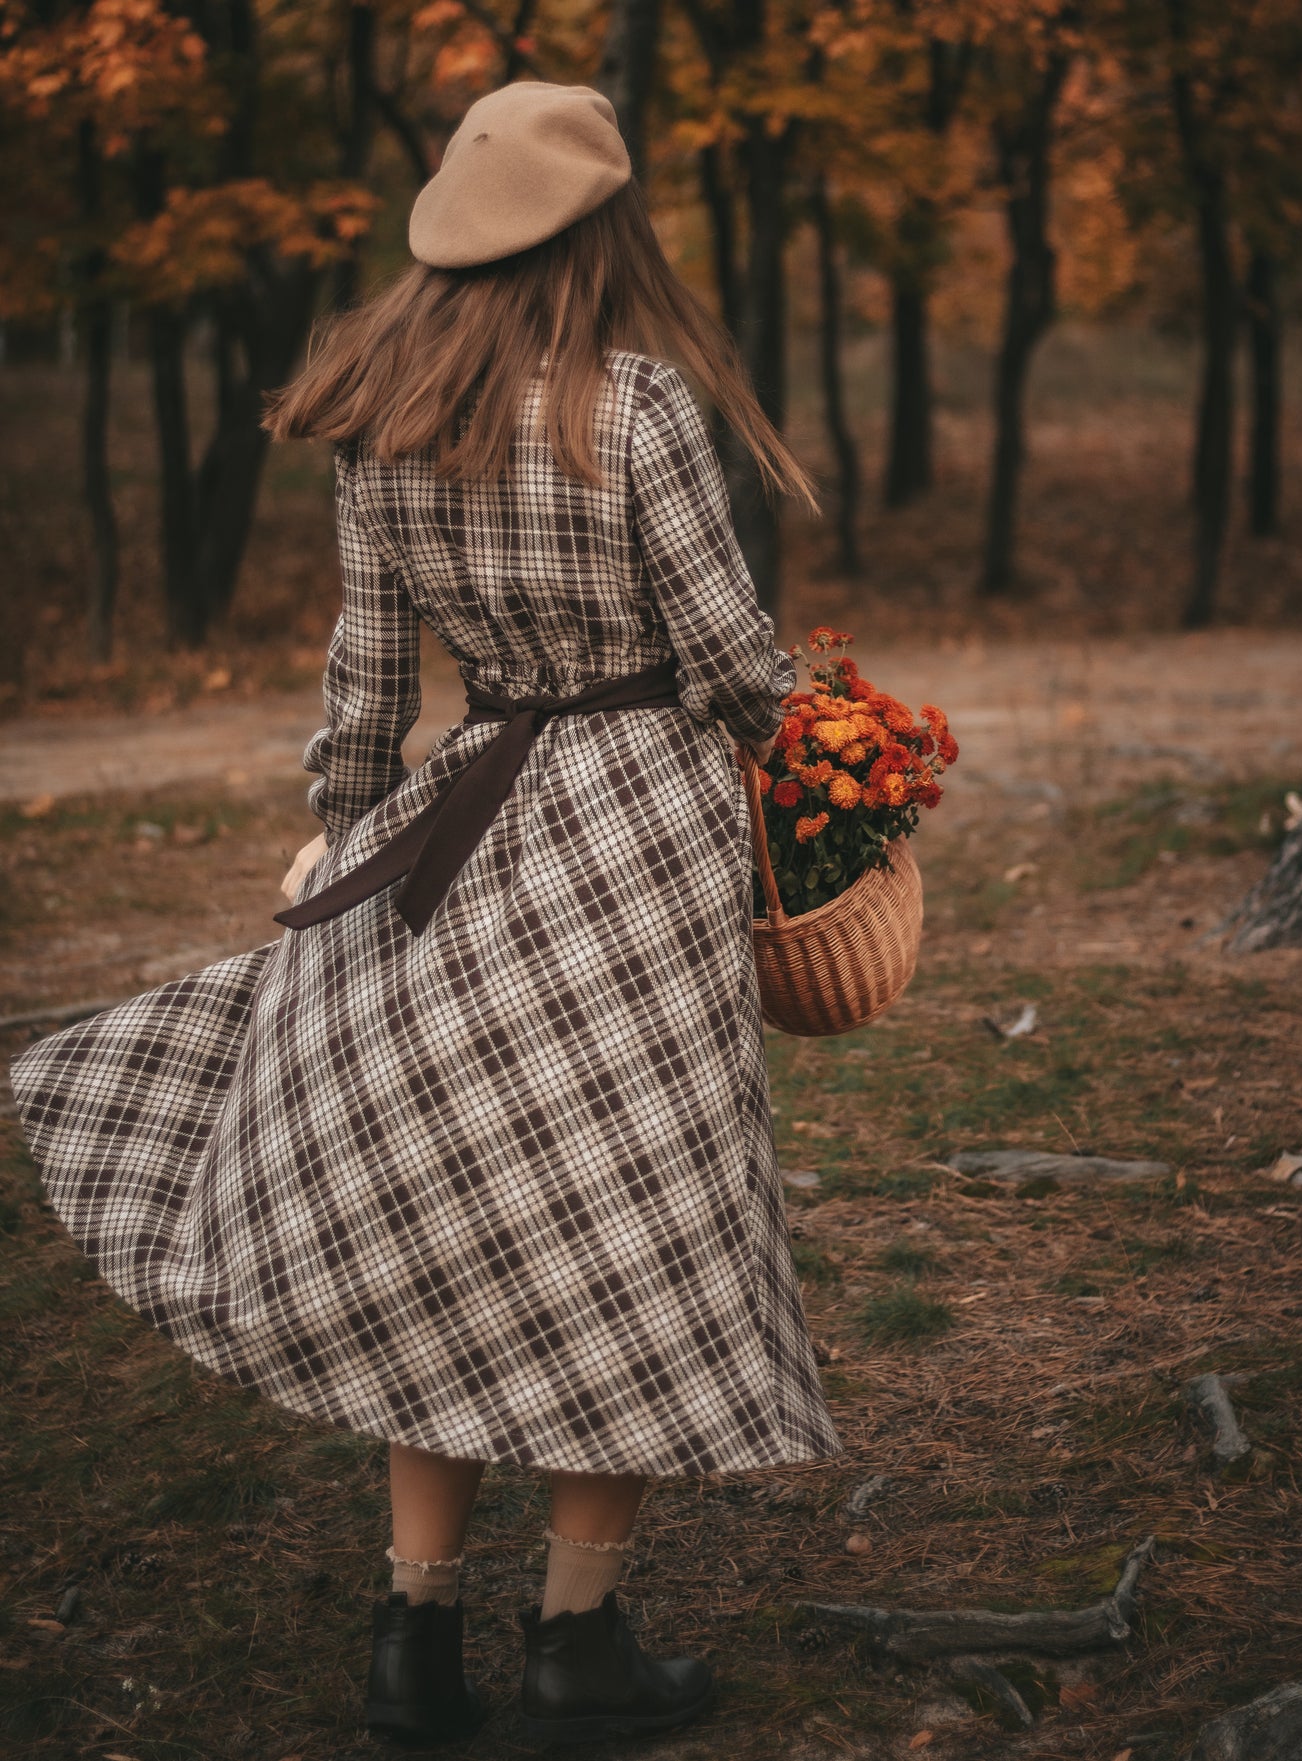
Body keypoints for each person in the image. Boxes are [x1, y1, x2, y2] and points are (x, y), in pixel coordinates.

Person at [8, 80, 843, 1747]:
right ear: (604, 229)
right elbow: (733, 659)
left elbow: (368, 677)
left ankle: (413, 1643)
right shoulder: (642, 409)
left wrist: (341, 840)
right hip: (628, 841)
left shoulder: (385, 412)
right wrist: (836, 792)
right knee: (621, 1223)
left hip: (455, 832)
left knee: (449, 1226)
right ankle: (576, 1652)